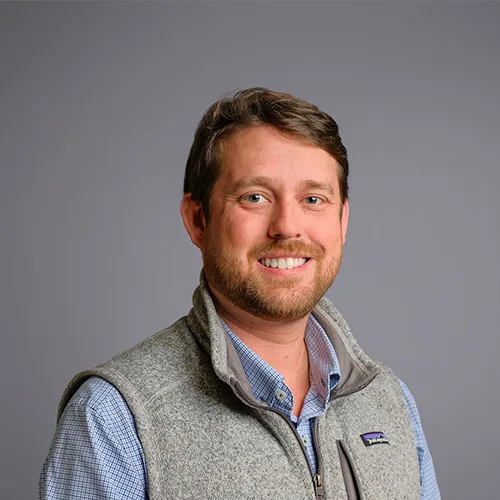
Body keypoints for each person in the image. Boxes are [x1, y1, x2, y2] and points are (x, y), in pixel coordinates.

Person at [40, 88, 440, 500]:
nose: (287, 226)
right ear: (198, 220)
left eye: (313, 199)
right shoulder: (114, 418)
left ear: (342, 220)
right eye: (255, 197)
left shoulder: (390, 402)